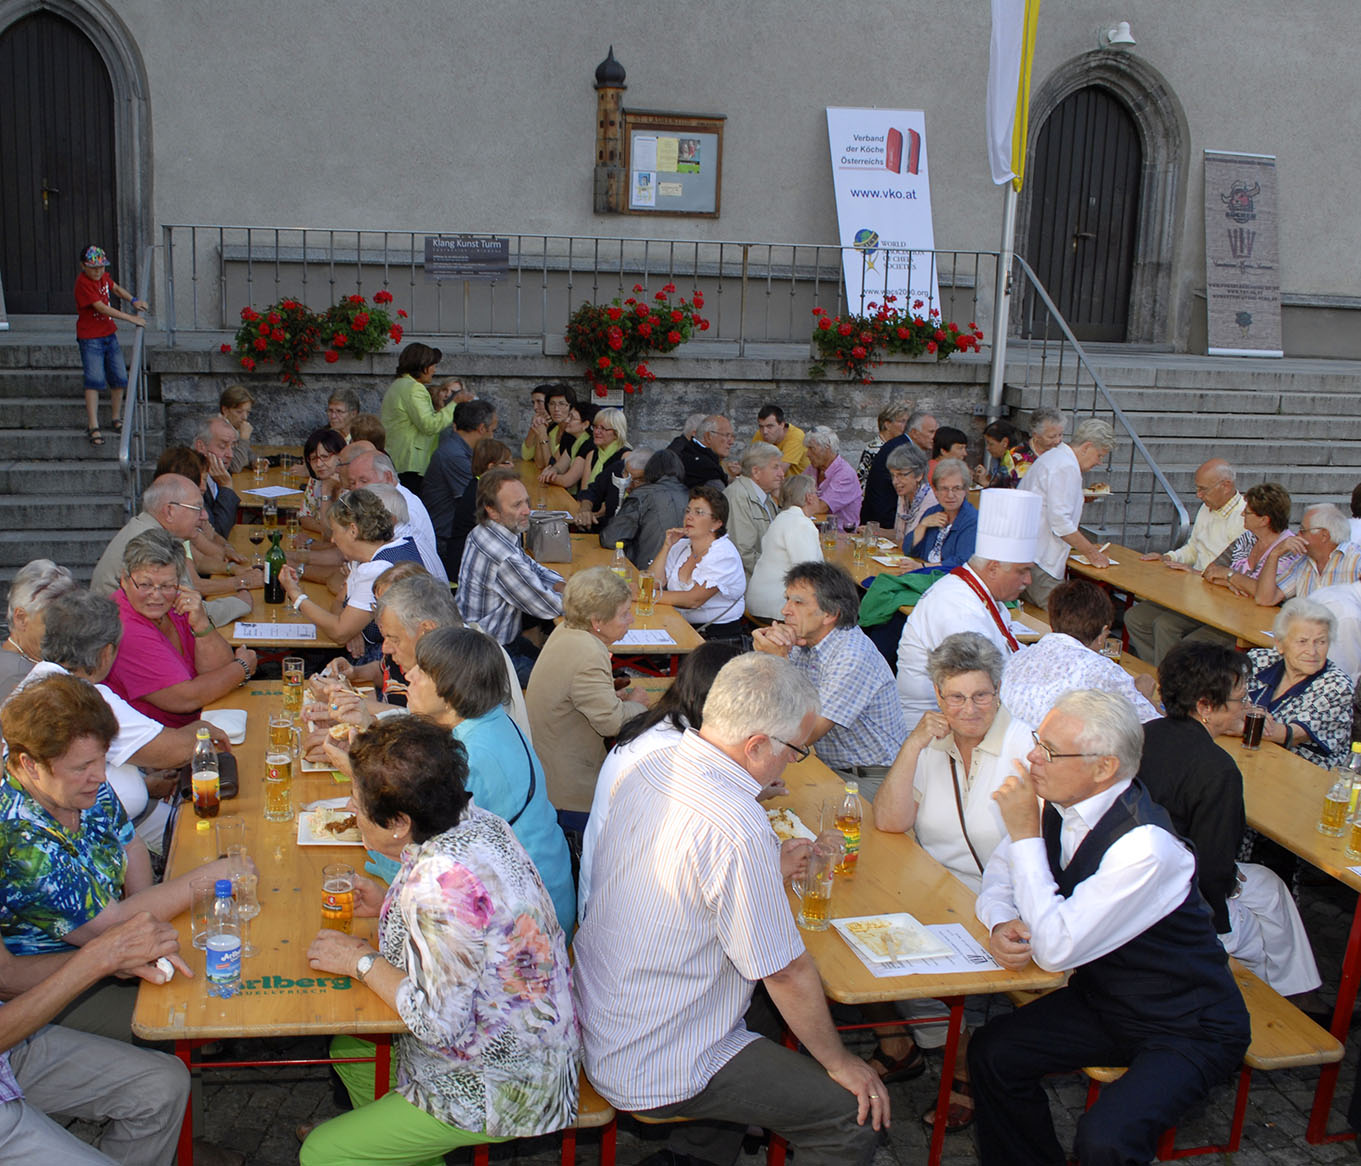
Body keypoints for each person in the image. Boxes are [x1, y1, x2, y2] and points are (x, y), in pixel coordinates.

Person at [573, 653, 887, 1166]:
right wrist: (839, 1062)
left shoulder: (651, 761)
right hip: (651, 1057)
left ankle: (698, 1156)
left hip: (603, 1006)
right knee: (847, 1115)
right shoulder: (737, 825)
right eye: (796, 750)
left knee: (767, 1010)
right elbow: (785, 971)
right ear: (756, 745)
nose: (793, 762)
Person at [969, 689, 1251, 1166]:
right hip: (1106, 1001)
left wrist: (1025, 836)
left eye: (1050, 751)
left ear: (1104, 768)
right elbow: (1000, 876)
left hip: (1188, 1023)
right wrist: (1001, 920)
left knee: (1106, 1139)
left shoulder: (1146, 848)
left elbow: (1056, 950)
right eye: (1038, 741)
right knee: (993, 1052)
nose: (1033, 757)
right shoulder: (1056, 802)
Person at [300, 718, 579, 1166]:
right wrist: (388, 903)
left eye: (357, 801)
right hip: (528, 1038)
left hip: (500, 1084)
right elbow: (471, 926)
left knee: (323, 1152)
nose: (352, 809)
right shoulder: (476, 820)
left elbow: (437, 1024)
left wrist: (361, 961)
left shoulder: (439, 886)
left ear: (399, 823)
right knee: (351, 1048)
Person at [0, 673, 244, 1038]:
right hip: (52, 986)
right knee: (203, 998)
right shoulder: (17, 836)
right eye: (82, 767)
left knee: (219, 951)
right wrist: (214, 875)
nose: (100, 776)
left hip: (110, 953)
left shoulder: (74, 787)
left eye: (101, 759)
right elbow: (110, 927)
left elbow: (129, 842)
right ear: (30, 764)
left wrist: (146, 920)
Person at [869, 633, 1036, 1126]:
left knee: (928, 954)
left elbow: (1041, 847)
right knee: (859, 928)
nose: (969, 709)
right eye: (956, 697)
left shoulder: (1024, 746)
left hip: (1002, 899)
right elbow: (890, 821)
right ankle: (900, 1042)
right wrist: (913, 744)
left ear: (998, 692)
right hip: (933, 889)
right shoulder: (932, 743)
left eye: (981, 695)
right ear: (938, 696)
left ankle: (963, 1066)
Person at [1138, 641, 1320, 996]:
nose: (1247, 707)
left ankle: (1297, 993)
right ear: (1205, 706)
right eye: (1240, 699)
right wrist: (1224, 908)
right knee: (1261, 940)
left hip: (1146, 870)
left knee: (1269, 885)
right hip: (1179, 905)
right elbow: (1214, 867)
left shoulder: (1146, 733)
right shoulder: (1218, 770)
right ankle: (1269, 1004)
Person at [21, 589, 233, 852]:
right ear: (106, 653)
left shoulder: (36, 680)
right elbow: (174, 750)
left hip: (116, 820)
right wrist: (203, 729)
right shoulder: (87, 698)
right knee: (219, 840)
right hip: (83, 838)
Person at [404, 627, 576, 932]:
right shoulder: (488, 721)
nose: (409, 675)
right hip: (541, 891)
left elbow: (432, 859)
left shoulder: (472, 756)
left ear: (451, 691)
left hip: (531, 921)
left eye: (423, 671)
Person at [0, 909, 194, 1164]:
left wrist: (112, 960)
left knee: (163, 1085)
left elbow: (5, 975)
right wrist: (96, 960)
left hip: (10, 1051)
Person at [577, 641, 743, 918]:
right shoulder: (675, 755)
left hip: (610, 894)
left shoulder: (665, 724)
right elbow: (709, 853)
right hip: (622, 911)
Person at [753, 562, 905, 796]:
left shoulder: (852, 656)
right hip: (828, 764)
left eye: (798, 603)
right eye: (787, 600)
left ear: (830, 614)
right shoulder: (804, 641)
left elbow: (802, 735)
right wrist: (764, 657)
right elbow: (760, 709)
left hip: (869, 778)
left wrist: (779, 661)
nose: (785, 610)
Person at [897, 489, 1042, 725]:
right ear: (993, 568)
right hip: (937, 728)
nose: (1028, 580)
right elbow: (977, 690)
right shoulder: (956, 606)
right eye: (1022, 571)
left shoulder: (981, 594)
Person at [525, 568, 650, 831]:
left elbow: (573, 692)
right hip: (569, 791)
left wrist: (608, 693)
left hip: (546, 766)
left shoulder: (566, 630)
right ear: (597, 622)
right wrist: (638, 704)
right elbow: (611, 723)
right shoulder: (589, 653)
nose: (631, 619)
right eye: (624, 614)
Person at [103, 531, 258, 730]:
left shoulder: (177, 602)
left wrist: (202, 624)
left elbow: (220, 667)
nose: (156, 596)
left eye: (167, 585)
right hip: (160, 738)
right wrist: (242, 668)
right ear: (125, 580)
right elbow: (185, 699)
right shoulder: (124, 626)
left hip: (202, 719)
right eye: (145, 585)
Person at [89, 473, 258, 626]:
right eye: (197, 508)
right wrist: (242, 602)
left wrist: (233, 571)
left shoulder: (147, 528)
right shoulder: (152, 545)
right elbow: (187, 612)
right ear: (170, 511)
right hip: (122, 637)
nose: (205, 516)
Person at [1124, 458, 1246, 662]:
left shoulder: (1243, 517)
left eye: (1203, 489)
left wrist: (1197, 573)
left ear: (1226, 486)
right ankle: (1158, 669)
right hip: (1195, 590)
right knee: (1135, 617)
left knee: (1166, 626)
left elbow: (1236, 571)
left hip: (1220, 599)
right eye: (1197, 489)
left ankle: (1167, 675)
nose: (1199, 495)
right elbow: (1193, 547)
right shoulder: (1207, 507)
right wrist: (1168, 557)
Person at [280, 488, 423, 661]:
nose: (332, 539)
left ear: (353, 530)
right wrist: (352, 628)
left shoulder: (377, 569)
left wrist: (295, 594)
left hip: (390, 661)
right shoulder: (378, 552)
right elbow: (339, 602)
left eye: (335, 531)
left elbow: (339, 633)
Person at [456, 468, 565, 685]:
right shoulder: (503, 557)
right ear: (492, 510)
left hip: (483, 641)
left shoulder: (485, 531)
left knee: (559, 665)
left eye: (527, 502)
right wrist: (586, 597)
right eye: (517, 505)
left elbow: (532, 568)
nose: (527, 511)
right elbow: (549, 607)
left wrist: (561, 585)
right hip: (488, 658)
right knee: (562, 681)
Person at [1000, 579, 1159, 726]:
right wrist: (1143, 694)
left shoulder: (1019, 657)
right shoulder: (1103, 671)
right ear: (1102, 633)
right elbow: (1156, 727)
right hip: (1053, 745)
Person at [1242, 597, 1356, 767]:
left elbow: (1292, 735)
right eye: (1302, 641)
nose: (1312, 651)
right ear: (1280, 644)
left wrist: (1237, 722)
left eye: (1321, 642)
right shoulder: (1258, 660)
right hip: (1251, 757)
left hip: (1302, 773)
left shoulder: (1337, 686)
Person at [1018, 417, 1115, 605]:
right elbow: (1061, 524)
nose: (1099, 462)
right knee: (1058, 615)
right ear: (1086, 447)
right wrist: (1092, 553)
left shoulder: (1054, 457)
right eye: (1099, 455)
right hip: (1041, 559)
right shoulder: (1066, 466)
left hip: (1030, 552)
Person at [646, 485, 747, 640]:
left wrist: (646, 596)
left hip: (716, 636)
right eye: (688, 511)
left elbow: (694, 600)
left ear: (716, 523)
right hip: (678, 625)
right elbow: (652, 583)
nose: (689, 517)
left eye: (698, 512)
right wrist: (666, 547)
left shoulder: (724, 555)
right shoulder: (681, 546)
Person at [73, 244, 145, 446]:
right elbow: (102, 308)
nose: (98, 271)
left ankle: (116, 417)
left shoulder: (103, 277)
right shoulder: (83, 284)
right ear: (83, 266)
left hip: (109, 335)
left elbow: (115, 288)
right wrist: (131, 318)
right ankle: (93, 425)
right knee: (94, 380)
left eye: (101, 267)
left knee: (120, 377)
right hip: (90, 338)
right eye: (93, 267)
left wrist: (134, 300)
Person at [345, 448, 448, 583]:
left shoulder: (402, 509)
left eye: (363, 481)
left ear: (388, 477)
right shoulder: (391, 501)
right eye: (352, 483)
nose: (357, 489)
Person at [379, 342, 466, 490]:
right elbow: (429, 425)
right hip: (411, 462)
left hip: (397, 458)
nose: (434, 370)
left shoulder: (398, 385)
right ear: (423, 366)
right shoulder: (414, 388)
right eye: (433, 365)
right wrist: (455, 403)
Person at [422, 399, 499, 554]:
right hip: (446, 539)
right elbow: (478, 499)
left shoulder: (458, 449)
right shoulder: (454, 455)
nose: (492, 437)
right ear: (482, 428)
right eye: (492, 430)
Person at [1203, 481, 1301, 598]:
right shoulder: (1248, 538)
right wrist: (1229, 583)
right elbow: (1210, 571)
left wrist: (1229, 575)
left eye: (1247, 512)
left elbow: (1265, 594)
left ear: (1264, 520)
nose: (1242, 514)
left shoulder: (1288, 549)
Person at [747, 474, 824, 619]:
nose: (819, 498)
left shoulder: (782, 518)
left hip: (760, 602)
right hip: (777, 607)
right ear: (809, 497)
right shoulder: (800, 523)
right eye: (817, 493)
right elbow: (808, 572)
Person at [0, 560, 77, 704]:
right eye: (54, 622)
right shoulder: (20, 677)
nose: (67, 631)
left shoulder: (22, 663)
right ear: (21, 618)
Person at [598, 447, 689, 568]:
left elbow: (610, 539)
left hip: (645, 571)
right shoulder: (690, 496)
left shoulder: (642, 495)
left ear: (648, 472)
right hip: (680, 572)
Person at [1258, 502, 1361, 606]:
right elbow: (1265, 599)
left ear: (1324, 535)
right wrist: (1274, 554)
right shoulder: (1303, 562)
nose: (1297, 535)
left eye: (1303, 530)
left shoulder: (1357, 560)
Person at [444, 438, 514, 581]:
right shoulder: (482, 493)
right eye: (506, 463)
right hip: (464, 569)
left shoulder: (481, 485)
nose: (512, 466)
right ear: (491, 467)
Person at [860, 408, 937, 528]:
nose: (935, 437)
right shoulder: (902, 450)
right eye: (931, 432)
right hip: (884, 521)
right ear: (915, 432)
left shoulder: (899, 444)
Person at [724, 442, 785, 575]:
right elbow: (744, 552)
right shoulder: (738, 497)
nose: (782, 474)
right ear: (756, 472)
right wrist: (780, 574)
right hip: (751, 581)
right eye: (775, 467)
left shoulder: (765, 495)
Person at [907, 457, 977, 567]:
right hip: (923, 573)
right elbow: (908, 550)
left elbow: (961, 562)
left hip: (948, 576)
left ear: (965, 490)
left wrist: (923, 567)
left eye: (956, 488)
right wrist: (922, 525)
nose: (950, 495)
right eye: (944, 488)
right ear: (935, 491)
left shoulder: (972, 520)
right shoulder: (932, 512)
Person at [574, 406, 631, 527]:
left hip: (613, 520)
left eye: (603, 428)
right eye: (595, 427)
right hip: (590, 516)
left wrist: (594, 515)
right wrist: (585, 511)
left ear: (616, 433)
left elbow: (622, 499)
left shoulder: (626, 457)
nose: (596, 432)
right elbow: (585, 492)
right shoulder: (592, 454)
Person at [190, 414, 242, 539]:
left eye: (233, 447)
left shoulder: (215, 473)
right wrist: (226, 487)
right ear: (201, 446)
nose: (230, 454)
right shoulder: (192, 479)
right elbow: (218, 533)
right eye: (222, 446)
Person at [804, 427, 863, 531]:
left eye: (812, 448)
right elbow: (796, 495)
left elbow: (821, 507)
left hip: (841, 535)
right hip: (814, 530)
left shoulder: (845, 475)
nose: (807, 454)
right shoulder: (813, 468)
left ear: (827, 448)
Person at [298, 426, 346, 539]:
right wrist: (324, 529)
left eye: (325, 457)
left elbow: (339, 534)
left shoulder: (351, 485)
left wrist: (327, 492)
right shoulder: (316, 480)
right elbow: (304, 518)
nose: (319, 464)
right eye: (314, 458)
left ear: (340, 456)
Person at [537, 400, 595, 491]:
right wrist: (552, 470)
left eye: (572, 418)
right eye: (568, 416)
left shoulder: (589, 444)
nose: (567, 420)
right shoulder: (572, 439)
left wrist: (546, 477)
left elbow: (567, 480)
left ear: (585, 424)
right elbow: (560, 467)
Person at [885, 441, 934, 546]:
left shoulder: (930, 501)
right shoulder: (904, 496)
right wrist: (875, 531)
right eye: (893, 475)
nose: (895, 481)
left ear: (919, 475)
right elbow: (899, 534)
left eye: (901, 475)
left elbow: (914, 543)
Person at [858, 402, 910, 487]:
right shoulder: (877, 450)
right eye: (902, 421)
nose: (906, 426)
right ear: (887, 425)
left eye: (907, 422)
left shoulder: (893, 446)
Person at [973, 418, 1034, 489]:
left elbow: (1011, 490)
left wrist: (985, 483)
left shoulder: (1015, 458)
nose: (987, 448)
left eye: (991, 444)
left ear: (1005, 442)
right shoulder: (998, 458)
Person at [679, 414, 737, 488]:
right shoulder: (705, 468)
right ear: (708, 436)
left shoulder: (691, 452)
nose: (731, 442)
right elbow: (721, 493)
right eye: (727, 435)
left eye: (732, 436)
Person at [752, 403, 810, 473]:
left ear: (782, 425)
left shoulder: (796, 436)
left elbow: (779, 471)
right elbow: (750, 462)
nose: (765, 431)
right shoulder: (760, 433)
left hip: (798, 479)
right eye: (761, 426)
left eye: (769, 426)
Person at [534, 385, 578, 470]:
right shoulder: (552, 429)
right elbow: (540, 464)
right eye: (552, 404)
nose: (556, 409)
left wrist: (543, 436)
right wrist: (540, 433)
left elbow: (551, 467)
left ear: (571, 407)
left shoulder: (573, 433)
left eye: (562, 404)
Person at [218, 384, 255, 473]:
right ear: (225, 410)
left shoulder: (233, 428)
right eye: (239, 412)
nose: (245, 417)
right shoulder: (217, 431)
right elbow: (234, 467)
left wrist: (255, 461)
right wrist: (244, 439)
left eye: (248, 412)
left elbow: (247, 452)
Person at [518, 383, 552, 460]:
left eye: (539, 402)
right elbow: (526, 456)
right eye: (533, 403)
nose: (535, 407)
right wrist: (533, 428)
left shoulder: (560, 426)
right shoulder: (539, 422)